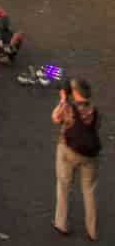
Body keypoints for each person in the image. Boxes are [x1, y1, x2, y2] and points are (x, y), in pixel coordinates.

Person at [54, 78, 101, 240]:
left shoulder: (69, 108)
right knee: (89, 191)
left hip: (68, 152)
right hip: (90, 156)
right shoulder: (95, 110)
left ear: (76, 93)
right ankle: (92, 231)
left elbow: (55, 118)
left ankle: (61, 223)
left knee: (64, 186)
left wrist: (62, 100)